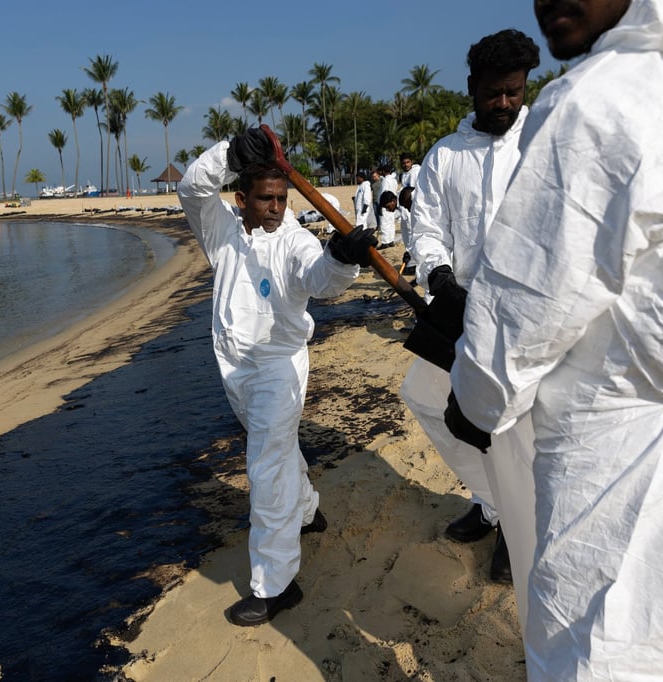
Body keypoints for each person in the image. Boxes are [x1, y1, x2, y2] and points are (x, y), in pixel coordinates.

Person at [447, 1, 663, 678]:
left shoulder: (598, 101)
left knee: (598, 651)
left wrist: (473, 401)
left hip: (623, 452)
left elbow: (527, 307)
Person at [177, 127, 378, 627]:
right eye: (265, 199)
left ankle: (275, 584)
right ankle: (307, 510)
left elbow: (318, 278)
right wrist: (229, 152)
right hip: (232, 364)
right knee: (277, 447)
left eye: (281, 199)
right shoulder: (219, 228)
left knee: (264, 466)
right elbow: (192, 187)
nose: (275, 208)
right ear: (241, 199)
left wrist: (340, 259)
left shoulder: (294, 239)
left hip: (278, 367)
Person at [400, 28, 540, 589]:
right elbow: (426, 226)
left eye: (513, 91)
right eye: (492, 93)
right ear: (471, 89)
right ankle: (491, 503)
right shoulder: (445, 155)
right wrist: (436, 274)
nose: (503, 103)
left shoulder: (541, 143)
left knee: (509, 429)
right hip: (460, 309)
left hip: (526, 317)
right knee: (424, 393)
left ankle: (516, 528)